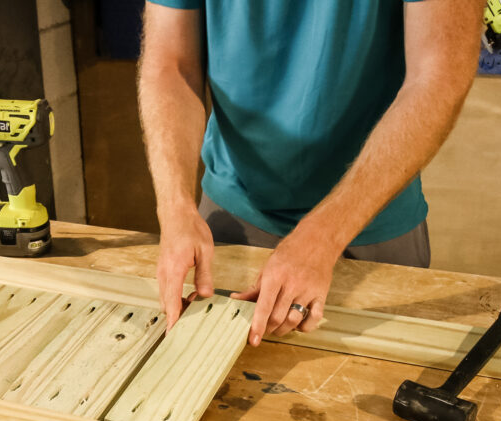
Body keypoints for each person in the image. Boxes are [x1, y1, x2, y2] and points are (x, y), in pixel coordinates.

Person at [137, 0, 482, 345]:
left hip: (372, 223)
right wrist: (174, 206)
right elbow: (172, 64)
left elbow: (440, 74)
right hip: (234, 216)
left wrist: (323, 236)